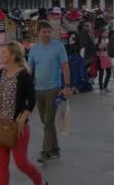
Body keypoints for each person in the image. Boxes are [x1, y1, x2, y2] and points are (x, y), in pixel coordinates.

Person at [0, 42, 47, 185]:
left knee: (21, 163)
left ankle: (39, 181)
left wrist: (22, 120)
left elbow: (31, 100)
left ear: (13, 55)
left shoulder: (23, 75)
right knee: (1, 166)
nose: (0, 55)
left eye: (4, 52)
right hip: (0, 125)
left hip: (18, 126)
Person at [28, 21, 72, 163]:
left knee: (48, 121)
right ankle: (55, 149)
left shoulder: (58, 47)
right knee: (46, 121)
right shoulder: (34, 49)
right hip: (37, 89)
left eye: (49, 32)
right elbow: (30, 70)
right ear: (38, 33)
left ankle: (45, 152)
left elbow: (65, 66)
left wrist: (66, 86)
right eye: (44, 32)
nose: (47, 34)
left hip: (54, 88)